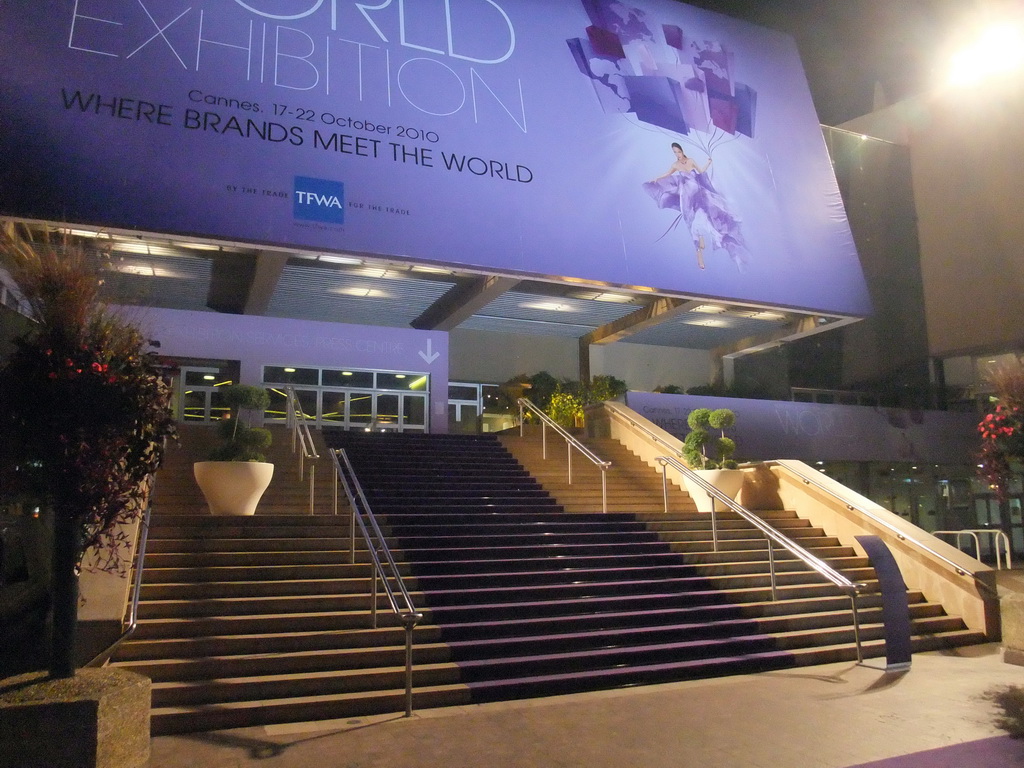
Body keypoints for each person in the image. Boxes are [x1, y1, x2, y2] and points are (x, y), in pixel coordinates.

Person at [644, 142, 746, 270]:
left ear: (682, 150)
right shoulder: (675, 165)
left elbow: (701, 171)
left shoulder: (691, 161)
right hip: (687, 196)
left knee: (711, 213)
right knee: (690, 221)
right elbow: (667, 174)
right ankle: (699, 255)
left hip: (700, 193)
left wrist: (708, 162)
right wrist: (656, 178)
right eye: (674, 152)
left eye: (678, 151)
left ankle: (723, 240)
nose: (677, 154)